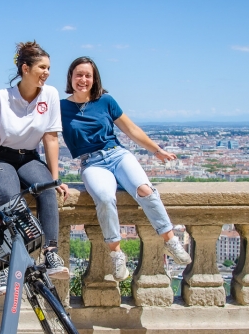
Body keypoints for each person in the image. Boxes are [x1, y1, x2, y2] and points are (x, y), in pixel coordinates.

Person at [60, 56, 191, 281]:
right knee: (104, 198)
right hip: (91, 162)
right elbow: (32, 116)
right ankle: (116, 253)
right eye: (78, 75)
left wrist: (156, 150)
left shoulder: (106, 101)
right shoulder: (60, 107)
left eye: (88, 75)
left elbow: (131, 129)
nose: (83, 79)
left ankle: (170, 240)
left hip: (117, 155)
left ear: (95, 79)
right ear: (70, 77)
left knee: (145, 190)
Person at [0, 41, 70, 294]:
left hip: (28, 157)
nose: (47, 72)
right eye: (42, 67)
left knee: (47, 190)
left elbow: (51, 138)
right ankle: (4, 265)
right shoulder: (2, 97)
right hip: (0, 158)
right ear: (25, 68)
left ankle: (50, 253)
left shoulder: (49, 95)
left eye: (49, 67)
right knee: (8, 196)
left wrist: (55, 177)